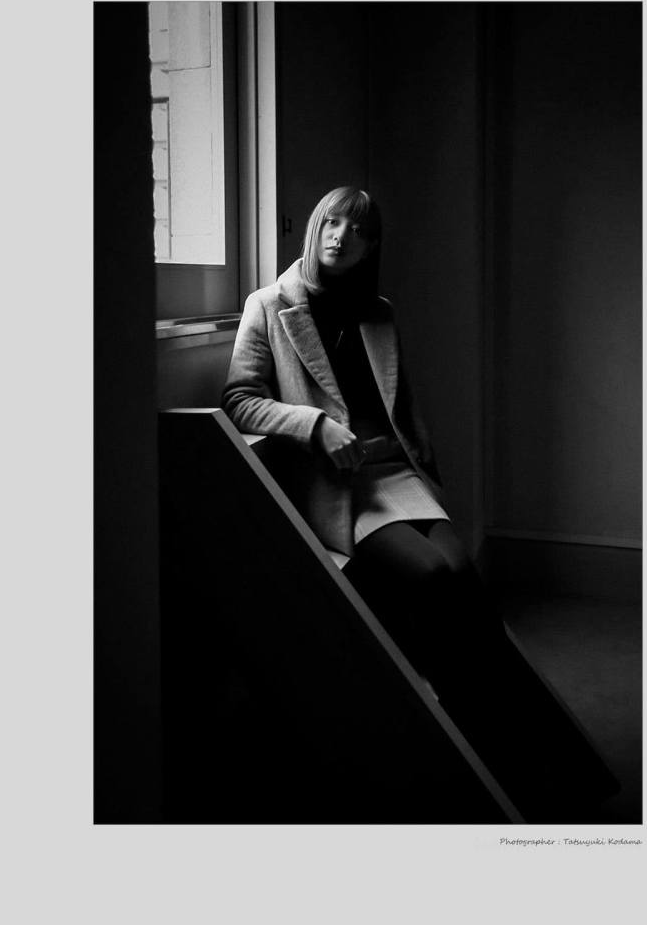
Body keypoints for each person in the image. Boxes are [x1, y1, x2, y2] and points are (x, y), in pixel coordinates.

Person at [222, 185, 617, 821]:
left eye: (357, 230)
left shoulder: (378, 311)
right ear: (315, 227)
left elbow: (399, 402)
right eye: (332, 222)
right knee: (433, 576)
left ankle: (544, 759)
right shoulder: (269, 305)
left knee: (463, 576)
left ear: (372, 246)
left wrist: (421, 456)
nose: (340, 237)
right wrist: (313, 425)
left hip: (396, 474)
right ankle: (505, 754)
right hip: (340, 485)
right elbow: (240, 398)